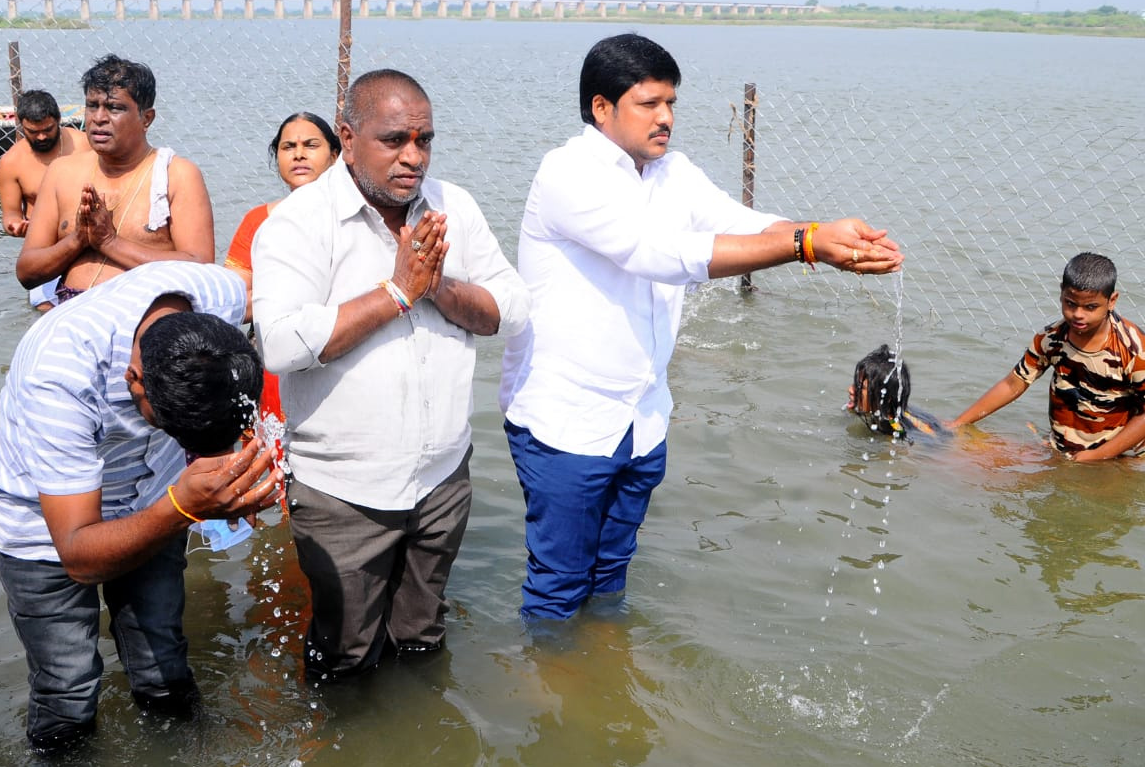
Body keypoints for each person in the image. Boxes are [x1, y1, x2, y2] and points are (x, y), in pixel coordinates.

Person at [500, 33, 903, 621]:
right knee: (557, 586)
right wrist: (805, 245)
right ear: (601, 108)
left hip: (640, 419)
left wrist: (826, 234)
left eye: (672, 104)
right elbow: (656, 253)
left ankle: (603, 678)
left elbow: (745, 223)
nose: (665, 119)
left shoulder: (672, 172)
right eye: (649, 104)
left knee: (611, 574)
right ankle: (551, 699)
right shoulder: (568, 173)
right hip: (567, 423)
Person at [252, 69, 530, 680]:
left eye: (424, 140)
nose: (413, 157)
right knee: (346, 658)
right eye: (394, 140)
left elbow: (512, 308)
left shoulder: (454, 206)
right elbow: (278, 344)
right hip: (344, 492)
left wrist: (439, 289)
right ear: (347, 138)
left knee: (423, 641)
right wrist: (399, 292)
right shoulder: (299, 222)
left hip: (440, 480)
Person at [0, 260, 284, 754]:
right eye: (168, 426)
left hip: (152, 491)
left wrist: (234, 459)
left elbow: (270, 304)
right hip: (44, 525)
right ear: (133, 378)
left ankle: (185, 754)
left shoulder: (212, 294)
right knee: (67, 689)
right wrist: (185, 505)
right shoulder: (59, 375)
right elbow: (78, 556)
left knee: (164, 661)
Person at [15, 54, 215, 303]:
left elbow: (202, 267)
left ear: (146, 118)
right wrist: (78, 240)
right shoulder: (61, 172)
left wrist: (110, 242)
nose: (98, 118)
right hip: (71, 309)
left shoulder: (177, 175)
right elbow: (26, 272)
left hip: (147, 314)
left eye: (115, 108)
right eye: (92, 105)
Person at [949, 252, 1145, 462]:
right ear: (1061, 294)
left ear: (1111, 301)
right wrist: (959, 424)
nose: (1078, 314)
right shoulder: (1052, 338)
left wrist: (1098, 456)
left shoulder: (1133, 349)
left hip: (1121, 458)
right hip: (1063, 450)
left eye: (1090, 307)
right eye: (1070, 304)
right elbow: (1014, 383)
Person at [225, 112, 340, 457]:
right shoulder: (258, 220)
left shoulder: (351, 217)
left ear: (335, 155)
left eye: (311, 145)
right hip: (273, 354)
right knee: (266, 462)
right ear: (277, 158)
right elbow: (234, 294)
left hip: (337, 347)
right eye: (288, 146)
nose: (299, 154)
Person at [0, 89, 91, 310]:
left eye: (48, 129)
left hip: (89, 239)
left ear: (58, 120)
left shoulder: (85, 146)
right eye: (33, 131)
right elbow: (10, 213)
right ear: (21, 125)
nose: (41, 136)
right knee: (46, 306)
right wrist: (14, 226)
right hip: (46, 246)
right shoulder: (11, 162)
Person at [847, 344, 945, 439]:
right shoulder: (891, 409)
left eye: (860, 387)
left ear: (885, 398)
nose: (850, 389)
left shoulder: (895, 430)